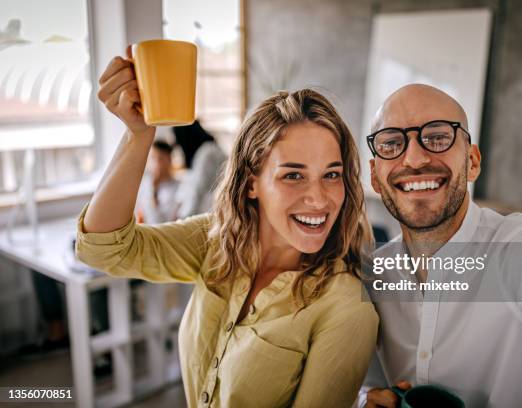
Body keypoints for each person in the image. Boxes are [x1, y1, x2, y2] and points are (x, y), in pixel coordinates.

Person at [77, 52, 378, 407]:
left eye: (332, 175)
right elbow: (103, 247)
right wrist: (138, 135)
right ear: (252, 184)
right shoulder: (216, 240)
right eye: (293, 175)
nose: (319, 199)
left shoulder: (345, 310)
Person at [361, 84, 522, 407]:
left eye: (437, 137)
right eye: (392, 143)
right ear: (375, 177)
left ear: (473, 161)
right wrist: (364, 398)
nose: (414, 158)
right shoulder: (371, 278)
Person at [173, 122, 227, 218]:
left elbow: (198, 189)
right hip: (212, 209)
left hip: (211, 210)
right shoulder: (209, 149)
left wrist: (184, 218)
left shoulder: (207, 153)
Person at [136, 140, 180, 224]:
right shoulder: (143, 185)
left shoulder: (177, 188)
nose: (155, 163)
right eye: (152, 158)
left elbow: (160, 224)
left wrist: (154, 190)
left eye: (160, 158)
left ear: (169, 159)